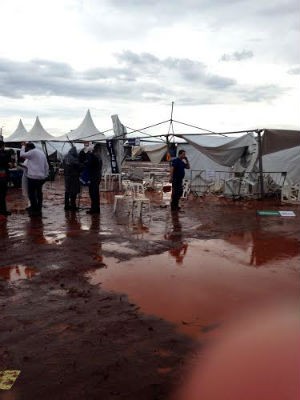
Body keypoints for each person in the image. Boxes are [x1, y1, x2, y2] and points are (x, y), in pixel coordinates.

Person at [20, 142, 49, 217]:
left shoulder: (32, 152)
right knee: (39, 193)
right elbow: (46, 165)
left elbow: (22, 155)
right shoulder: (41, 153)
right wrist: (45, 176)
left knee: (32, 194)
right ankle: (38, 209)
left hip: (33, 177)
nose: (27, 151)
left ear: (29, 148)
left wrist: (23, 146)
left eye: (27, 149)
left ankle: (34, 209)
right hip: (41, 177)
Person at [63, 146, 81, 211]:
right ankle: (73, 206)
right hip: (73, 177)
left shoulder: (65, 157)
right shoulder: (74, 159)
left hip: (66, 177)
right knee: (73, 192)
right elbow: (78, 167)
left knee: (67, 191)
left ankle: (66, 205)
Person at [86, 143, 102, 214]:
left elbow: (89, 166)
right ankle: (96, 208)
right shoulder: (99, 157)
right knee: (96, 193)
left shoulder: (93, 157)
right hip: (97, 176)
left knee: (93, 193)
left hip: (94, 177)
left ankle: (94, 209)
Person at [0, 140, 12, 216]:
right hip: (2, 176)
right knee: (2, 194)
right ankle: (3, 211)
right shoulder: (2, 154)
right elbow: (5, 162)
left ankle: (3, 210)